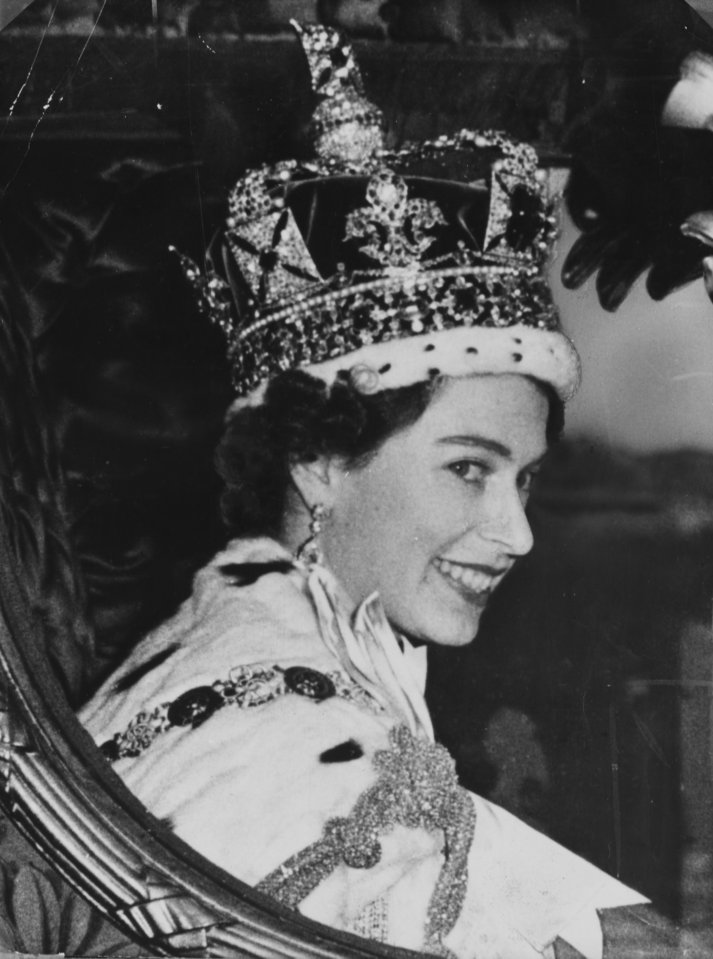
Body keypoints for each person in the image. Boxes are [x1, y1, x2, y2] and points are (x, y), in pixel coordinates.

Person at [80, 23, 684, 959]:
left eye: (522, 481)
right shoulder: (278, 722)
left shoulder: (259, 643)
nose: (516, 533)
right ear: (318, 458)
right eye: (468, 469)